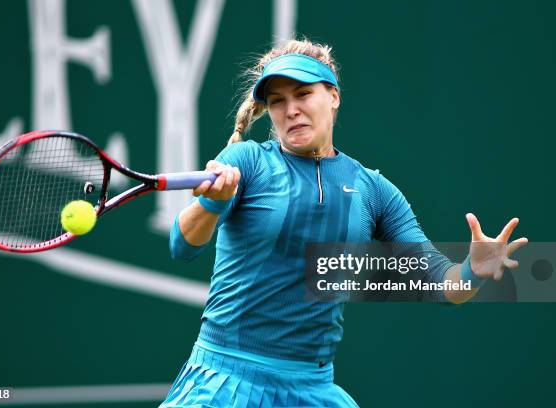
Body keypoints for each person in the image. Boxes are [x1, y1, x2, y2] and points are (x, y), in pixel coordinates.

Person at [160, 39, 528, 407]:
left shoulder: (375, 192)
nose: (291, 110)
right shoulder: (248, 161)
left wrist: (474, 270)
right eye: (278, 101)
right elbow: (182, 245)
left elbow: (441, 286)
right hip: (227, 383)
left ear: (333, 96)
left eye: (303, 94)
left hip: (312, 389)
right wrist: (211, 203)